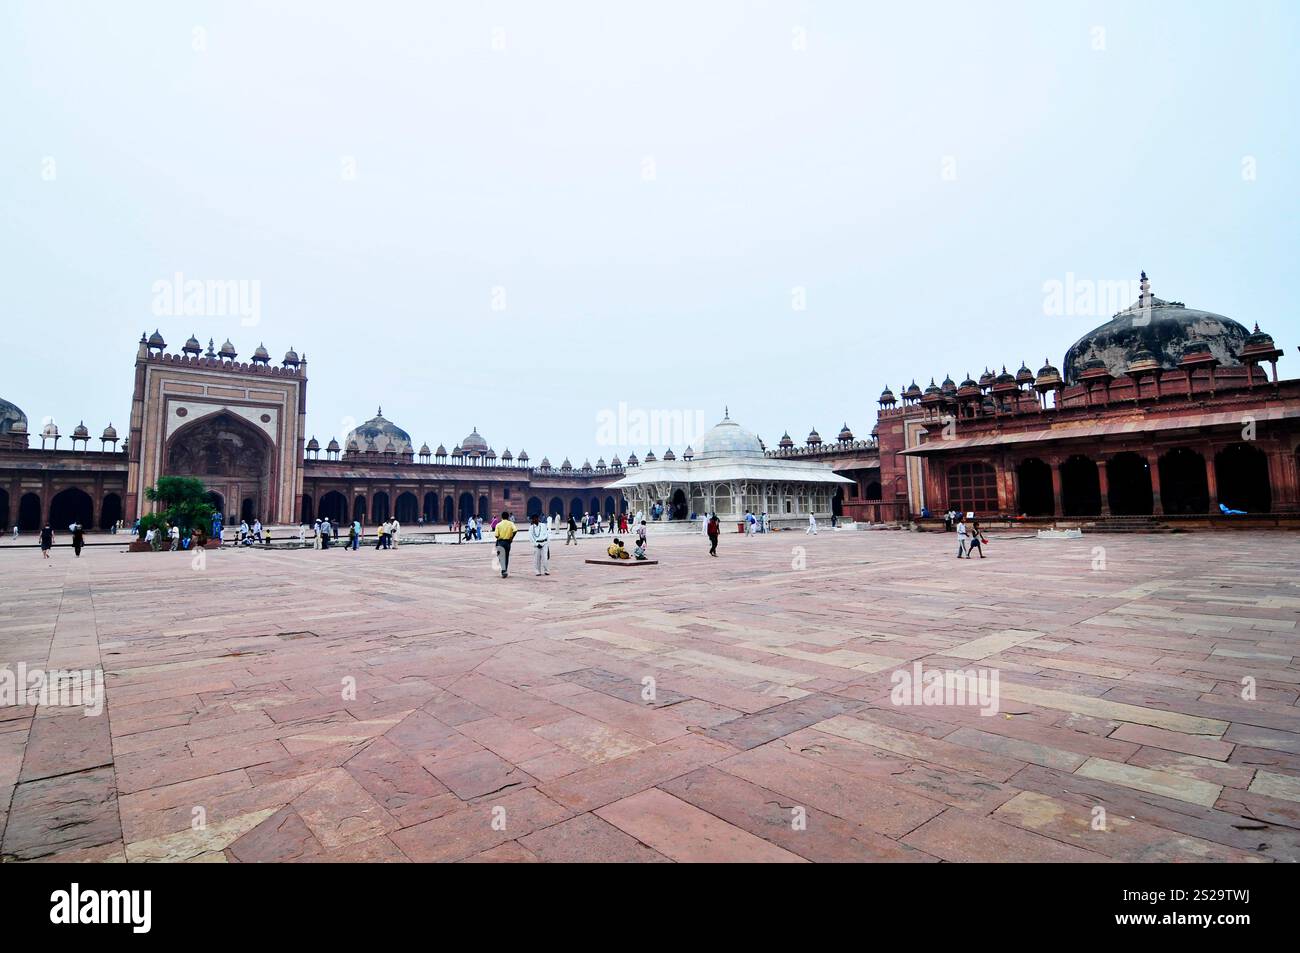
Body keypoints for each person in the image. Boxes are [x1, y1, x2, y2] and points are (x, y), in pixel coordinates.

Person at [494, 511, 516, 578]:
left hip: (500, 542)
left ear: (502, 517)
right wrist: (511, 538)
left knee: (501, 556)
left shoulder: (498, 525)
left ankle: (503, 570)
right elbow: (515, 530)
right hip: (507, 542)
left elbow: (496, 535)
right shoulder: (511, 523)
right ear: (508, 517)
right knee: (506, 556)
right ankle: (505, 570)